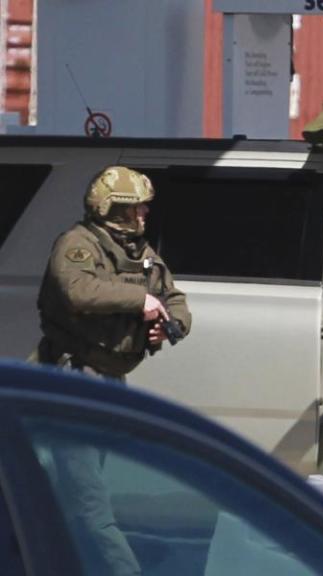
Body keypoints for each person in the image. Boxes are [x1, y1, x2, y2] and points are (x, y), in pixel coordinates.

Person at [32, 165, 192, 576]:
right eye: (133, 209)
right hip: (74, 381)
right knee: (89, 505)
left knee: (85, 494)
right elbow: (78, 290)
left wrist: (167, 325)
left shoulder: (140, 252)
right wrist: (139, 300)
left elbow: (173, 298)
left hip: (109, 382)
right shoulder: (79, 245)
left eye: (144, 209)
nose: (142, 217)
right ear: (110, 209)